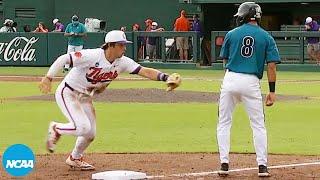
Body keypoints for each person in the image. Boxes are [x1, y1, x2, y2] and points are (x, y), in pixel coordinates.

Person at [38, 30, 181, 170]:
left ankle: (74, 158)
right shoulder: (92, 55)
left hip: (85, 97)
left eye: (124, 44)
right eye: (121, 45)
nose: (124, 48)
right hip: (68, 92)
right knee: (82, 127)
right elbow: (64, 58)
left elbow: (144, 71)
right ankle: (56, 128)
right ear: (110, 45)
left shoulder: (122, 62)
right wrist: (48, 77)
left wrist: (166, 77)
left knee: (90, 134)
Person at [217, 2, 280, 177]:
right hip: (251, 81)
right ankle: (262, 167)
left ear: (244, 15)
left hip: (230, 78)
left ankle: (224, 163)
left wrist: (229, 79)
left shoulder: (231, 33)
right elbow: (272, 66)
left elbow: (225, 60)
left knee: (224, 122)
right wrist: (272, 91)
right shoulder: (267, 37)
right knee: (258, 125)